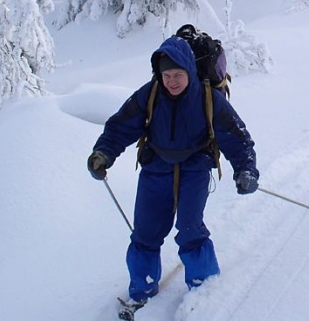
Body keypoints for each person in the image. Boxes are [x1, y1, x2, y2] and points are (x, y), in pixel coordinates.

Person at [87, 35, 259, 313]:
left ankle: (204, 286)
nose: (172, 81)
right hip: (156, 168)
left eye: (178, 74)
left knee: (190, 228)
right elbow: (121, 126)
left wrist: (246, 169)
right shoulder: (150, 94)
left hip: (195, 168)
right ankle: (142, 286)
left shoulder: (208, 98)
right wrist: (103, 153)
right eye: (166, 75)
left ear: (189, 70)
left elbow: (236, 137)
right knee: (145, 231)